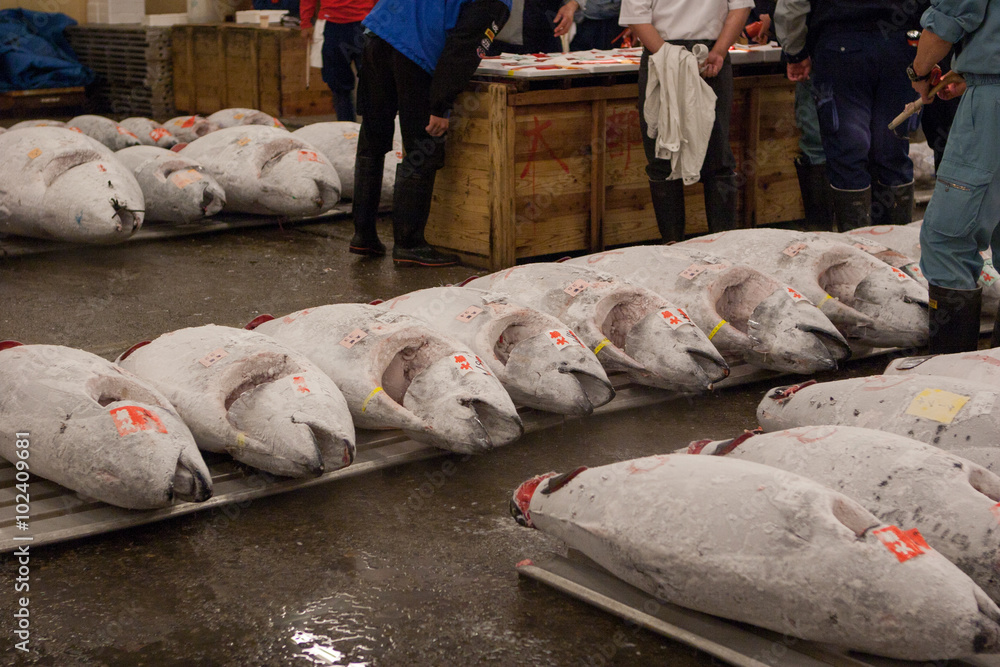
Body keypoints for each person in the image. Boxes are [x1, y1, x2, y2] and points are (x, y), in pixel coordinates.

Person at [350, 0, 511, 267]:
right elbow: (463, 47)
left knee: (372, 141)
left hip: (376, 39)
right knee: (422, 148)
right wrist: (441, 104)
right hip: (414, 54)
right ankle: (409, 244)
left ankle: (362, 234)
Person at [775, 1, 928, 231]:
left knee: (849, 155)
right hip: (902, 45)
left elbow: (792, 5)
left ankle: (856, 255)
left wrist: (795, 51)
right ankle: (895, 256)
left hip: (841, 47)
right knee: (892, 151)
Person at [622, 0, 753, 242]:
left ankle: (721, 246)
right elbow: (741, 6)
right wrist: (675, 57)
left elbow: (741, 5)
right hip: (680, 56)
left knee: (714, 154)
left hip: (696, 57)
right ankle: (679, 247)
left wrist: (717, 52)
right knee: (663, 152)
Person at [912, 0, 1000, 353]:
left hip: (992, 108)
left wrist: (919, 73)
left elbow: (947, 20)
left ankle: (953, 383)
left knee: (947, 241)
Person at [299, 0, 375, 122]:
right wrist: (305, 22)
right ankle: (346, 129)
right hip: (332, 24)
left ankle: (374, 132)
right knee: (338, 84)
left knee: (373, 81)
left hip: (365, 22)